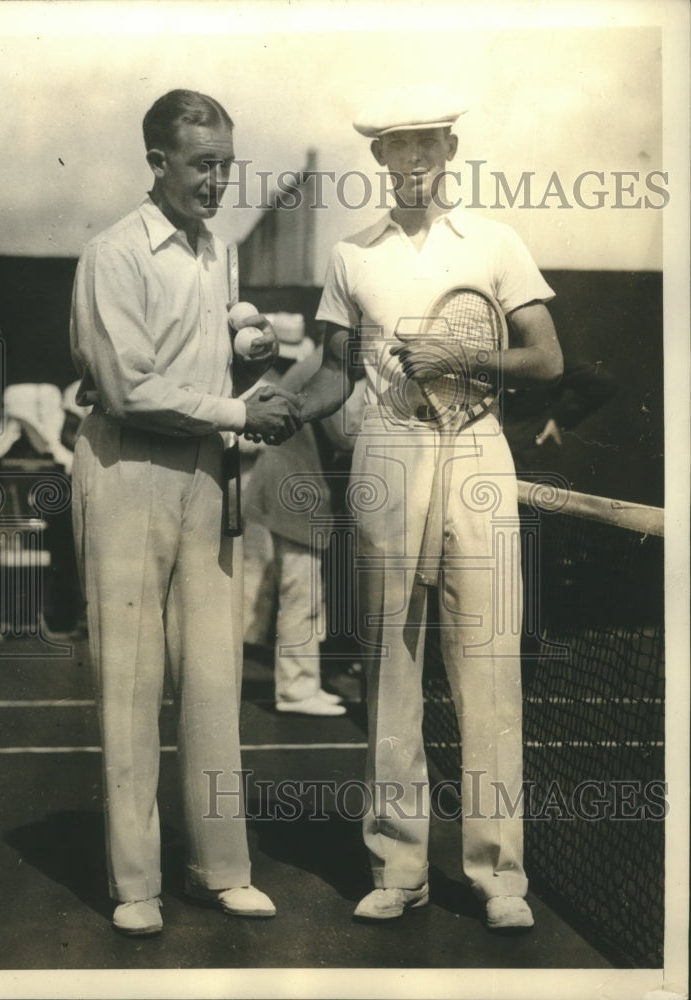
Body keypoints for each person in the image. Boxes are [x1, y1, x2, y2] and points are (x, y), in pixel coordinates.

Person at [290, 85, 564, 929]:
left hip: (478, 455)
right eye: (394, 146)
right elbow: (335, 372)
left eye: (425, 144)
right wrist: (277, 410)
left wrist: (458, 355)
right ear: (377, 157)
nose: (410, 160)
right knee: (389, 668)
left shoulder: (497, 242)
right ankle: (398, 867)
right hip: (385, 452)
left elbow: (546, 360)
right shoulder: (349, 255)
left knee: (484, 668)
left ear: (448, 151)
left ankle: (496, 879)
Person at [70, 89, 300, 936]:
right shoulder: (112, 253)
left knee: (210, 683)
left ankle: (220, 870)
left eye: (226, 167)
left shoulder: (215, 254)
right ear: (157, 161)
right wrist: (243, 413)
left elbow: (200, 369)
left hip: (206, 479)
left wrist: (247, 347)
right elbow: (128, 389)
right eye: (203, 165)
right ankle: (137, 886)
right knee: (129, 686)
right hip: (125, 473)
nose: (217, 182)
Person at [243, 342, 365, 716]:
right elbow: (345, 435)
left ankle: (304, 681)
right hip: (294, 492)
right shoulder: (324, 370)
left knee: (305, 593)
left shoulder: (321, 364)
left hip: (294, 490)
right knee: (301, 593)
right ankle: (296, 691)